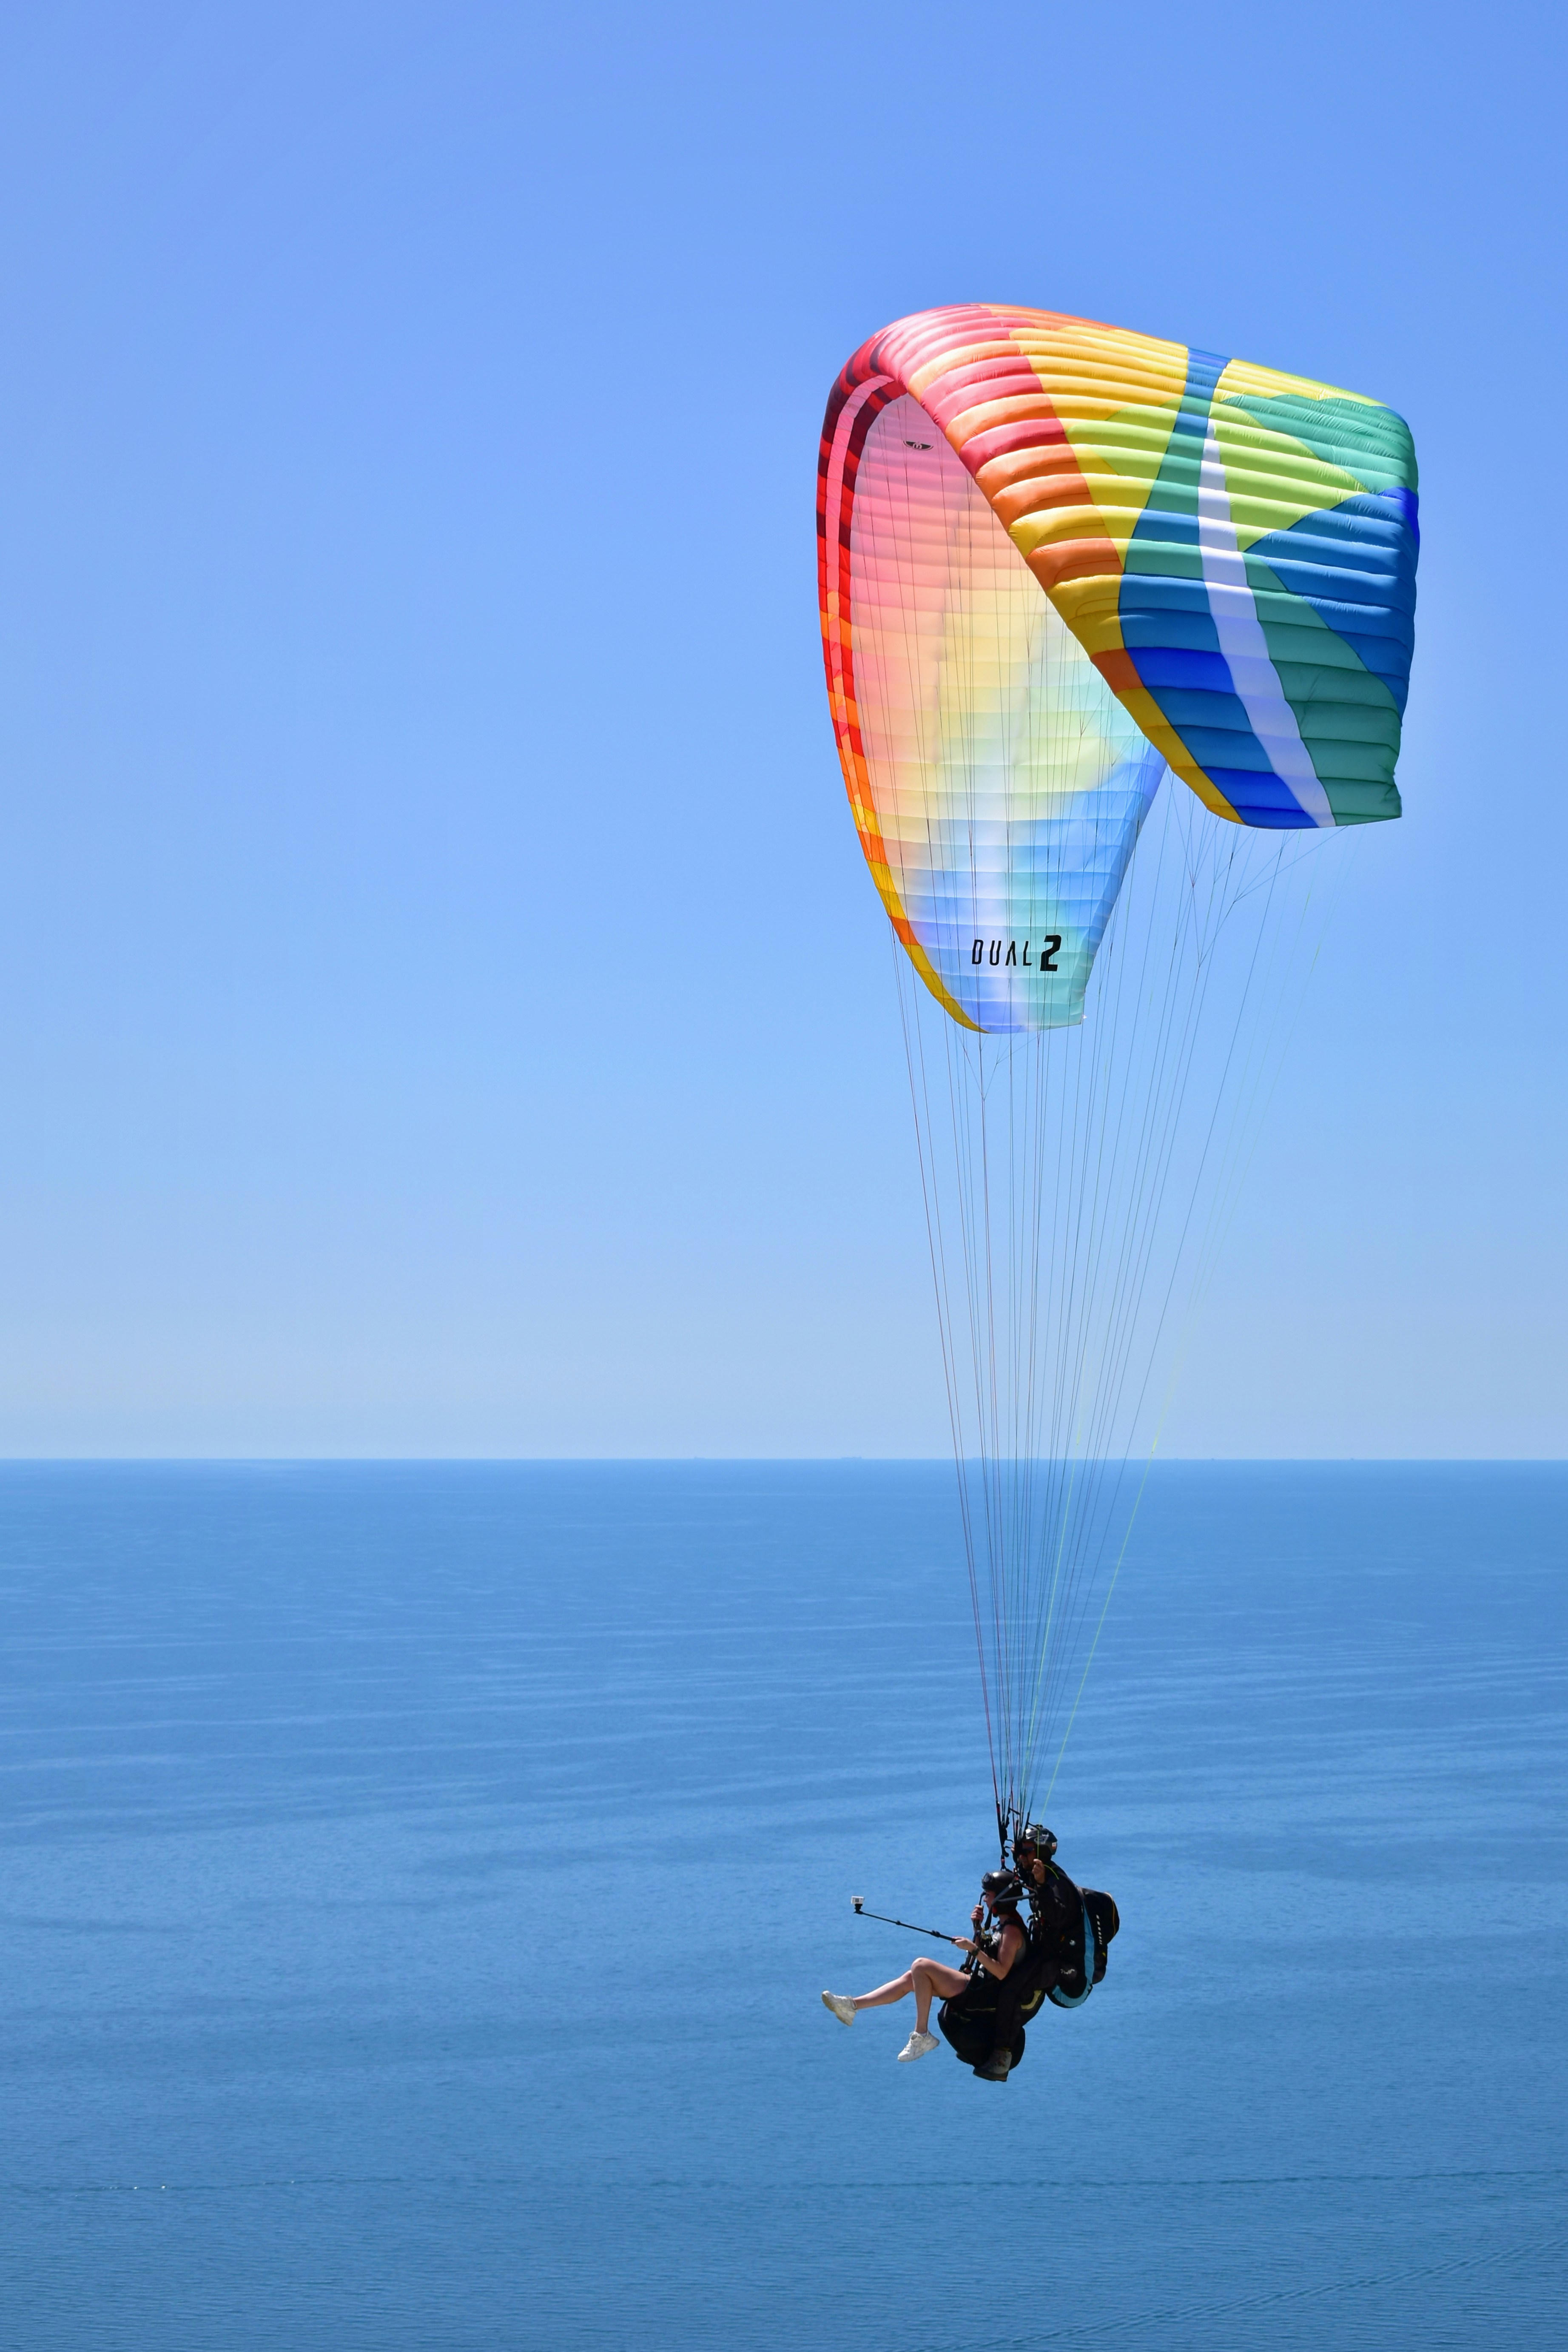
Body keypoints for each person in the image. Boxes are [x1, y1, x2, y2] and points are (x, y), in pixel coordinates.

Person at [820, 1871, 1027, 2062]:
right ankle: (852, 2006)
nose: (984, 1899)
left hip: (985, 1992)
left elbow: (1001, 1972)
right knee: (912, 1978)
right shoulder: (1003, 1924)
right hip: (980, 1985)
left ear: (1002, 1899)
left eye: (988, 1895)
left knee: (920, 1966)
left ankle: (922, 2035)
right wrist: (976, 1930)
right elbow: (988, 1953)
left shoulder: (1012, 1933)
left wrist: (973, 1949)